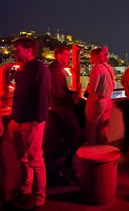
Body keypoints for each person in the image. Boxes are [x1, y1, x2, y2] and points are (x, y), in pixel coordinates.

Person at [7, 37, 51, 210]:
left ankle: (40, 198)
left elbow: (43, 97)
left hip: (32, 122)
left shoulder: (40, 69)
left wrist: (36, 121)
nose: (14, 52)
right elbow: (18, 97)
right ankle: (26, 188)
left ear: (28, 49)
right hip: (18, 121)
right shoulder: (21, 71)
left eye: (17, 49)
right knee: (23, 159)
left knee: (36, 161)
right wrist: (13, 119)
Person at [47, 46, 84, 180]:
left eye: (69, 54)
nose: (69, 57)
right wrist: (72, 98)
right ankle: (65, 165)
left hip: (60, 106)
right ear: (58, 55)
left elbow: (63, 90)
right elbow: (58, 93)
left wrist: (73, 94)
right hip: (60, 107)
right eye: (66, 55)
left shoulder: (56, 68)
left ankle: (65, 163)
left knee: (70, 134)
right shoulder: (55, 69)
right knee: (75, 133)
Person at [85, 47, 114, 145]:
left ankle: (93, 152)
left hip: (98, 103)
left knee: (91, 128)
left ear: (96, 57)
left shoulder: (97, 69)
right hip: (108, 101)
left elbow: (93, 89)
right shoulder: (109, 67)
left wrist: (87, 88)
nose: (90, 59)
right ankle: (103, 149)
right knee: (103, 129)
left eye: (91, 56)